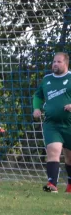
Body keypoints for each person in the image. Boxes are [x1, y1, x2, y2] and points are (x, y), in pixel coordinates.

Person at [33, 52, 71, 193]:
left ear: (66, 63)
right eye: (54, 61)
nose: (55, 64)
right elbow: (38, 96)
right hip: (51, 123)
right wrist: (36, 108)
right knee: (53, 151)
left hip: (69, 123)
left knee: (69, 157)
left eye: (58, 62)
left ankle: (70, 184)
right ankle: (52, 184)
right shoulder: (47, 79)